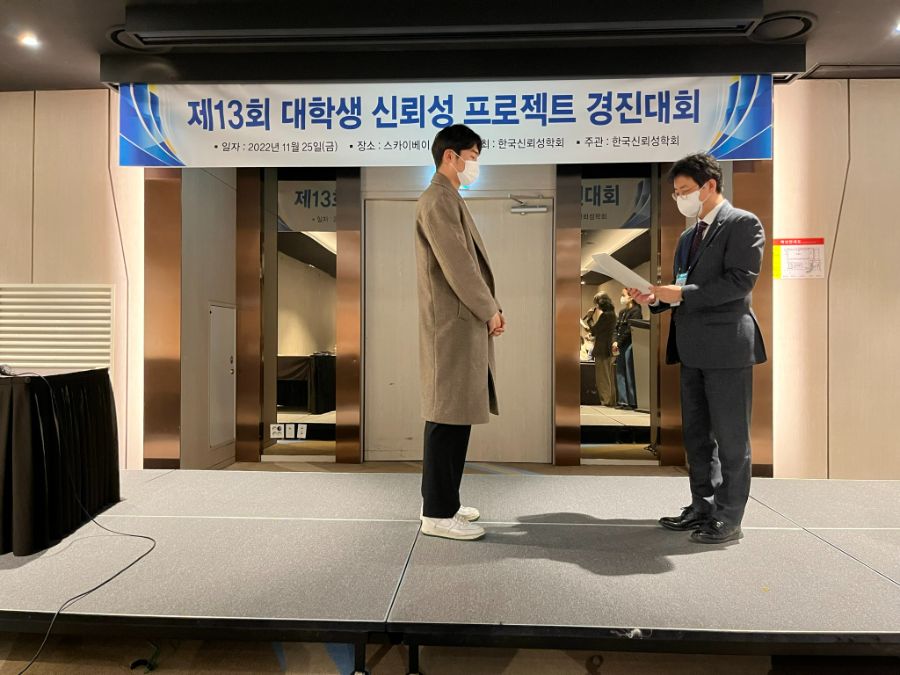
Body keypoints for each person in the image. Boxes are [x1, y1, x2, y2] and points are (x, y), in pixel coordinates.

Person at [630, 152, 766, 545]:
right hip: (691, 349)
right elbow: (681, 288)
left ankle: (729, 517)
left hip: (727, 348)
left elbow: (739, 282)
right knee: (697, 436)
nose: (680, 198)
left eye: (685, 190)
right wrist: (654, 299)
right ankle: (701, 505)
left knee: (732, 438)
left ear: (710, 185)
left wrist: (682, 293)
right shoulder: (689, 237)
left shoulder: (742, 223)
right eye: (675, 193)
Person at [415, 124, 505, 541]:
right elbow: (458, 265)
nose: (475, 165)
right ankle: (436, 513)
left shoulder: (448, 197)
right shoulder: (437, 199)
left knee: (455, 417)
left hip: (457, 324)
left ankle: (445, 502)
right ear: (450, 156)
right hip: (451, 326)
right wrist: (489, 309)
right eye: (472, 156)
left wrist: (490, 309)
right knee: (446, 417)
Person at [614, 288, 643, 410]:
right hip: (620, 345)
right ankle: (623, 401)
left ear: (631, 297)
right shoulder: (622, 312)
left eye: (623, 295)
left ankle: (632, 401)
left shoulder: (636, 311)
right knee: (619, 372)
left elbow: (629, 331)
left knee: (629, 372)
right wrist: (615, 341)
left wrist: (618, 342)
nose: (621, 298)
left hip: (630, 344)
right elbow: (616, 328)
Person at [589, 293, 617, 407]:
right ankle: (611, 400)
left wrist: (590, 318)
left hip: (602, 349)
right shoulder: (612, 314)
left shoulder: (605, 316)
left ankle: (606, 401)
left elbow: (594, 330)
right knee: (609, 376)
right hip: (608, 349)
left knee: (602, 377)